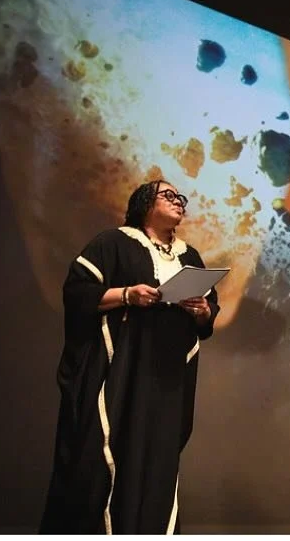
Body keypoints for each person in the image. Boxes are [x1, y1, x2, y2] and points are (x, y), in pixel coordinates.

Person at [39, 180, 219, 532]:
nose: (178, 202)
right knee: (102, 460)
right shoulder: (114, 243)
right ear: (144, 204)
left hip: (165, 380)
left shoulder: (190, 256)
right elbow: (77, 294)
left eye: (180, 198)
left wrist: (200, 310)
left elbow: (209, 316)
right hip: (120, 373)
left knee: (157, 463)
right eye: (168, 195)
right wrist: (126, 295)